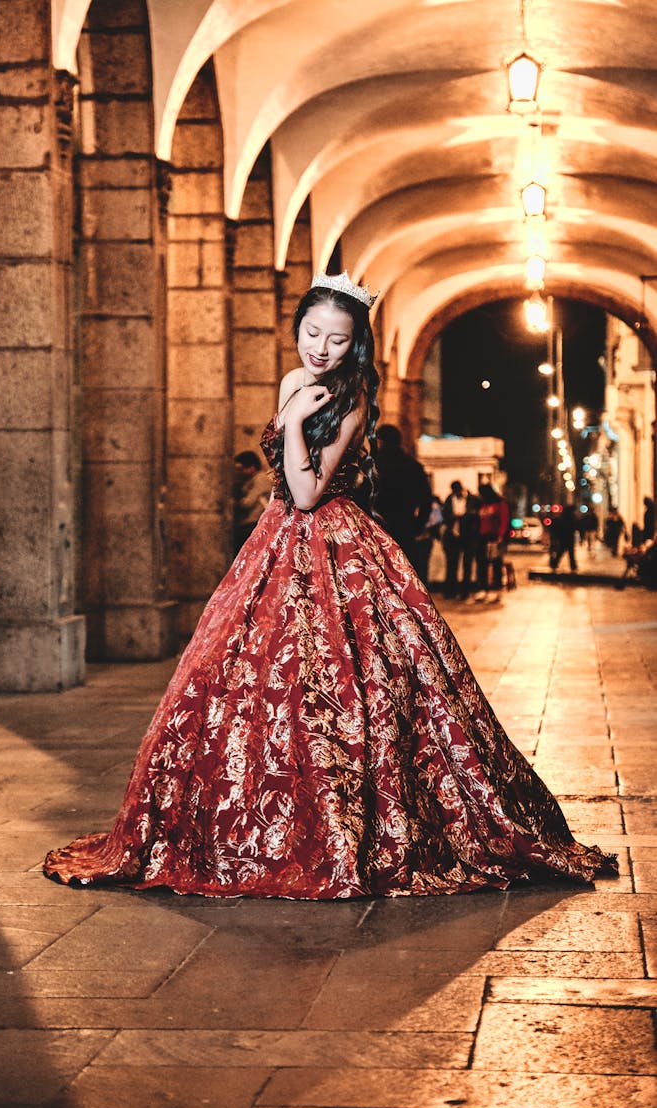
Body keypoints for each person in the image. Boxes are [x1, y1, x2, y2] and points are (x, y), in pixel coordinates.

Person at [44, 272, 616, 898]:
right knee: (249, 676)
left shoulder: (355, 398)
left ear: (356, 346)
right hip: (275, 539)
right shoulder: (295, 382)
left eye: (337, 340)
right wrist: (291, 416)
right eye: (312, 333)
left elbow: (310, 489)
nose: (320, 348)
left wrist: (293, 428)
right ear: (297, 330)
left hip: (333, 538)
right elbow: (285, 486)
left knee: (348, 677)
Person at [373, 423, 432, 579]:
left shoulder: (374, 465)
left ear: (380, 440)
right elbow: (426, 499)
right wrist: (418, 524)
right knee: (405, 575)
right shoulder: (413, 466)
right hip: (406, 526)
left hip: (378, 525)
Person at [474, 482, 510, 603]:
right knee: (482, 564)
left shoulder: (500, 503)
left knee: (496, 565)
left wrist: (501, 536)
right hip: (482, 537)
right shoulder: (483, 504)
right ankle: (483, 589)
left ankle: (497, 590)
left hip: (495, 537)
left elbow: (504, 519)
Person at [233, 450, 269, 554]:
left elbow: (247, 503)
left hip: (254, 523)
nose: (238, 473)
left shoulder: (260, 479)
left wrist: (234, 503)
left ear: (252, 467)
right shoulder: (252, 480)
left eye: (241, 469)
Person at [441, 480, 468, 598]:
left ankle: (464, 591)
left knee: (466, 564)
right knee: (452, 563)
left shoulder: (470, 499)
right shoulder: (449, 499)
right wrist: (453, 517)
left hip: (466, 534)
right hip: (452, 534)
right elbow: (444, 514)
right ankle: (450, 590)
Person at [549, 504, 578, 573]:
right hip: (568, 537)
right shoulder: (570, 517)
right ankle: (572, 566)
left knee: (562, 551)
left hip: (565, 537)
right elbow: (572, 527)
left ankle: (555, 563)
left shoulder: (564, 517)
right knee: (569, 552)